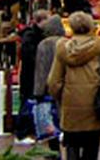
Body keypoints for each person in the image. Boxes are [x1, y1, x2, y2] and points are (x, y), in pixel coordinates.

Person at [48, 11, 100, 160]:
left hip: (70, 107)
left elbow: (54, 81)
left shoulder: (62, 49)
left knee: (72, 147)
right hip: (94, 107)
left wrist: (60, 97)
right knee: (91, 148)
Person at [16, 9, 50, 143]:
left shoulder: (38, 35)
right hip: (31, 76)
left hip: (36, 75)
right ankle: (22, 132)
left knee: (38, 103)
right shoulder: (30, 36)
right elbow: (29, 56)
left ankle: (37, 130)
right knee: (28, 102)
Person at [34, 15, 66, 156]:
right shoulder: (66, 43)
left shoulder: (43, 45)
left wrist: (38, 91)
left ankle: (53, 154)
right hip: (64, 89)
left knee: (48, 125)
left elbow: (40, 70)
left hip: (47, 90)